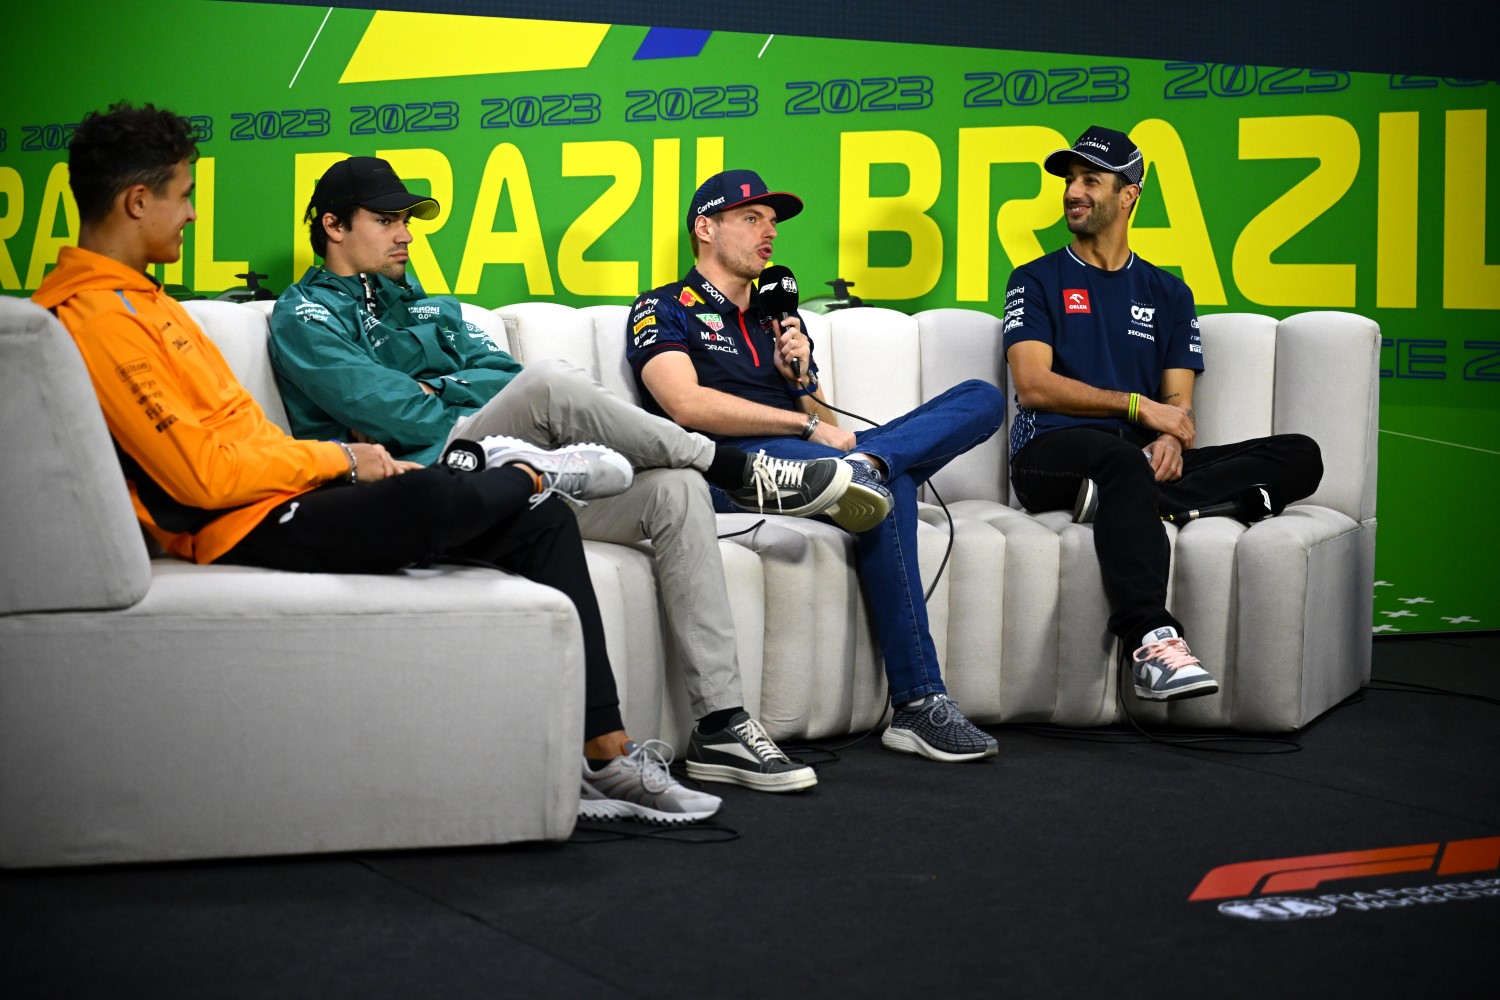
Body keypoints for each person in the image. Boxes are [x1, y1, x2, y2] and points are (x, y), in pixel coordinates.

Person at [33, 100, 720, 826]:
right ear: (137, 200)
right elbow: (201, 476)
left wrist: (339, 460)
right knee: (428, 498)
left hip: (273, 487)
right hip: (231, 524)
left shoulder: (155, 306)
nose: (194, 216)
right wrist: (341, 460)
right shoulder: (87, 317)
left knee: (540, 521)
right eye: (185, 196)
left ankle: (607, 759)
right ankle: (536, 469)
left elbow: (245, 435)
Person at [267, 158, 891, 794]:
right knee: (548, 384)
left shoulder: (429, 306)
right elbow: (401, 413)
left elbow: (496, 373)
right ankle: (731, 466)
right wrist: (445, 390)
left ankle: (722, 726)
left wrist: (438, 383)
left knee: (673, 492)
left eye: (406, 220)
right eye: (385, 220)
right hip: (428, 476)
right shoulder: (304, 315)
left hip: (510, 472)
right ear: (333, 227)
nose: (404, 233)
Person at [627, 169, 1005, 763]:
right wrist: (803, 425)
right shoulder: (663, 306)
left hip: (815, 462)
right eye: (752, 219)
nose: (769, 232)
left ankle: (873, 464)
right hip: (732, 471)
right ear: (705, 228)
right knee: (879, 478)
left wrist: (801, 379)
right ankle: (919, 704)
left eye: (772, 222)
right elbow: (685, 405)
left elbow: (827, 422)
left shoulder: (777, 317)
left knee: (980, 397)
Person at [1003, 125, 1324, 700]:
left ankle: (1139, 501)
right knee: (1121, 462)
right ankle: (1151, 640)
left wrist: (1172, 441)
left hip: (1131, 461)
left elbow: (1178, 407)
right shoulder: (1035, 278)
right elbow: (1032, 386)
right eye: (1070, 181)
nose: (1073, 192)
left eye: (1090, 180)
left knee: (1299, 453)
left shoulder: (1170, 294)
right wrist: (1137, 407)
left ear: (1129, 194)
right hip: (1051, 455)